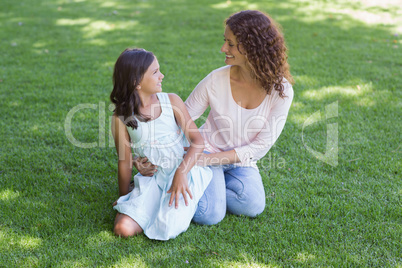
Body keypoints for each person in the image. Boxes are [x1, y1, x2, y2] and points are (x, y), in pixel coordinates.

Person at [134, 10, 294, 225]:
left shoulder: (281, 90)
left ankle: (203, 185)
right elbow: (182, 117)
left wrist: (208, 161)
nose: (223, 49)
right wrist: (145, 156)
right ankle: (189, 184)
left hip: (238, 161)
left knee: (252, 205)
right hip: (207, 149)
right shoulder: (216, 80)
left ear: (252, 48)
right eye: (224, 41)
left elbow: (260, 147)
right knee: (209, 214)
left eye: (230, 44)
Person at [110, 48, 212, 240]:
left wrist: (181, 172)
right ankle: (143, 202)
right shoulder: (121, 118)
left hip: (183, 174)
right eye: (155, 72)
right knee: (122, 229)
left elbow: (198, 141)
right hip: (152, 178)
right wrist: (124, 197)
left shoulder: (171, 102)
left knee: (167, 227)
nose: (162, 75)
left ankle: (165, 205)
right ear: (136, 82)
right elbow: (124, 161)